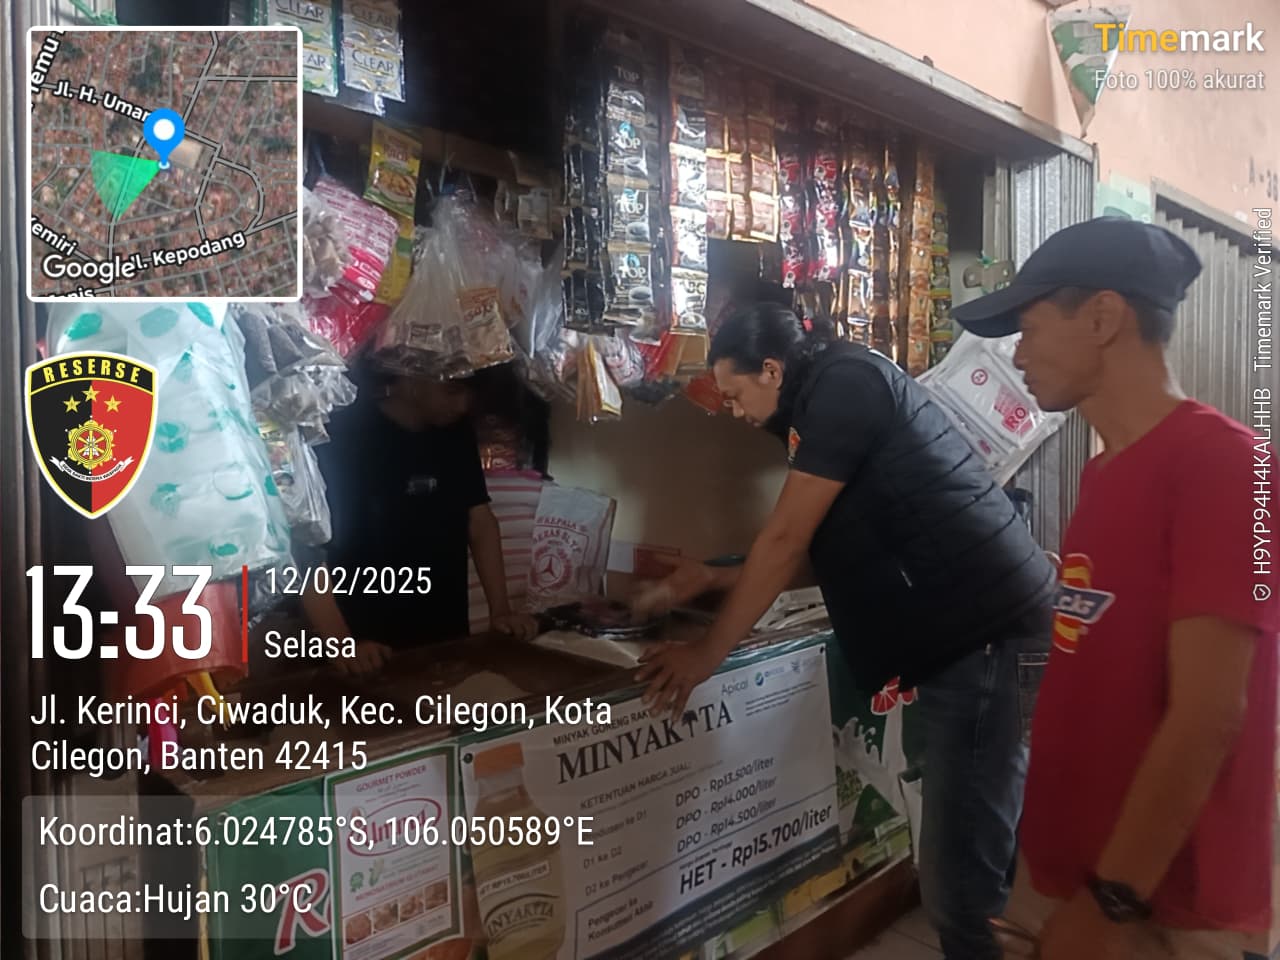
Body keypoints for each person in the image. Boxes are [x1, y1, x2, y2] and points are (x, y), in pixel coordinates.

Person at [633, 302, 1056, 959]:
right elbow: (824, 547)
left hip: (987, 637)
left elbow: (785, 539)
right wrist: (711, 579)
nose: (735, 412)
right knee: (977, 854)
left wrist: (705, 655)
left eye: (736, 394)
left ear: (772, 370)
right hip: (980, 635)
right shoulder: (818, 402)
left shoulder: (844, 384)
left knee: (956, 885)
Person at [952, 217, 1278, 960]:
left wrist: (1111, 901)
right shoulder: (1104, 470)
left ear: (1102, 317)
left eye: (1030, 329)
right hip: (1080, 870)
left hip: (1163, 903)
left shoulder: (1228, 466)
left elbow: (1209, 714)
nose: (1018, 354)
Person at [302, 367, 537, 677]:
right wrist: (341, 643)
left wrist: (501, 611)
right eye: (452, 390)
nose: (462, 405)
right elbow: (306, 549)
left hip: (445, 637)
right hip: (364, 644)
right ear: (411, 378)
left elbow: (480, 522)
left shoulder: (456, 434)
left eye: (469, 395)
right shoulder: (341, 435)